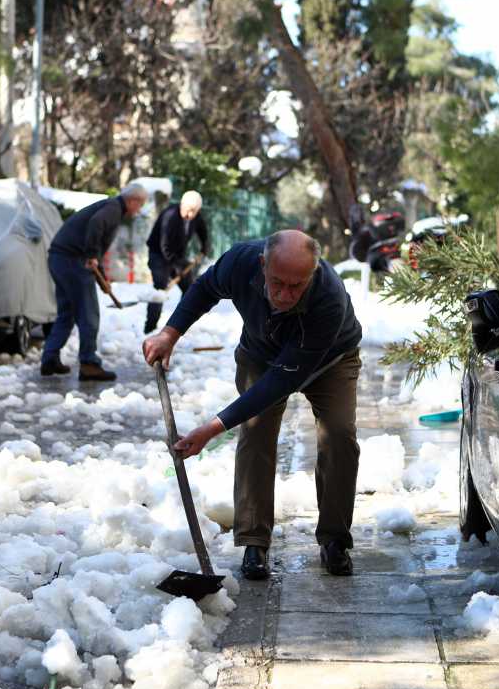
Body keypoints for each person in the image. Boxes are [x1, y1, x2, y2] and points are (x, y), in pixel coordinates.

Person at [142, 230, 363, 580]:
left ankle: (335, 539)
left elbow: (282, 381)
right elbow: (204, 288)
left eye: (297, 285)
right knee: (256, 432)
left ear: (313, 273)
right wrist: (170, 332)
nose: (286, 295)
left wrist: (213, 428)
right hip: (260, 351)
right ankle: (254, 541)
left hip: (331, 360)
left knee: (339, 435)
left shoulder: (328, 298)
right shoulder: (240, 262)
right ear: (263, 265)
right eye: (277, 283)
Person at [42, 182, 148, 381]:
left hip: (59, 258)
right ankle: (89, 363)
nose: (139, 210)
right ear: (132, 200)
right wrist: (91, 255)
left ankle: (49, 358)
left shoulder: (110, 207)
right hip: (73, 261)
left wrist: (103, 280)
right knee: (89, 314)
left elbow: (95, 252)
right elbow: (96, 226)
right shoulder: (113, 208)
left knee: (67, 313)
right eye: (140, 205)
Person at [144, 190, 210, 334]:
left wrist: (205, 246)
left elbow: (203, 232)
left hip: (177, 256)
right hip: (159, 254)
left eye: (194, 211)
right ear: (182, 205)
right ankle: (150, 326)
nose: (190, 215)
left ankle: (178, 324)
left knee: (190, 287)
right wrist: (177, 266)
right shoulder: (170, 216)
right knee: (160, 287)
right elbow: (164, 246)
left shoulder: (195, 216)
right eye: (188, 210)